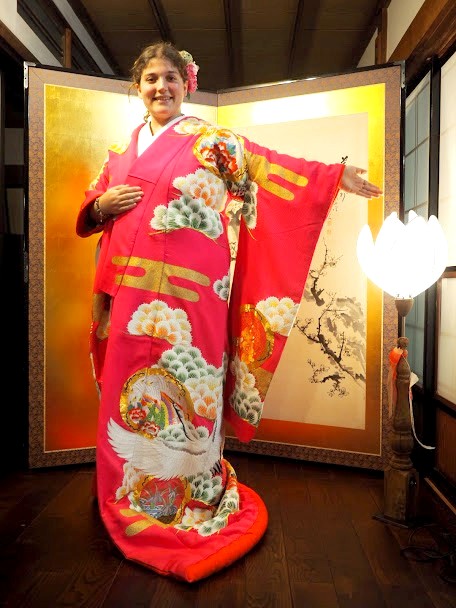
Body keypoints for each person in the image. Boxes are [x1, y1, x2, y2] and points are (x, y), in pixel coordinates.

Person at [76, 41, 382, 582]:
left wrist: (334, 177)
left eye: (170, 77)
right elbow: (92, 205)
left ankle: (191, 489)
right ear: (137, 87)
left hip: (193, 297)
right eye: (150, 79)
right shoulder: (119, 152)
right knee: (129, 392)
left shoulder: (214, 140)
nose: (161, 87)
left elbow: (268, 166)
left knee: (191, 385)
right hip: (129, 295)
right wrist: (102, 206)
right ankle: (128, 490)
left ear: (186, 84)